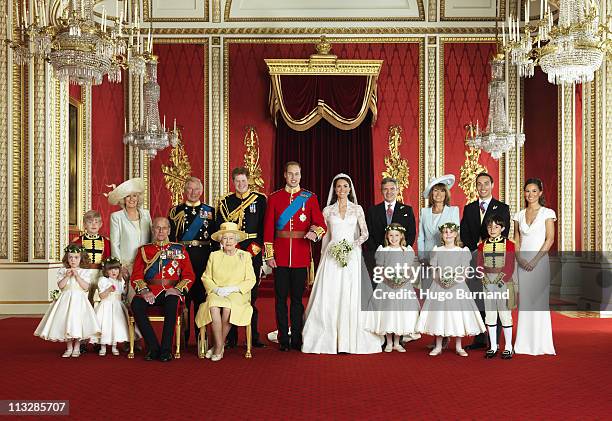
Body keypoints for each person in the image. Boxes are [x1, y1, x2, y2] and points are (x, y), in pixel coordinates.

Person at [301, 174, 382, 354]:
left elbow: (365, 233)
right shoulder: (327, 211)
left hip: (352, 255)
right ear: (334, 189)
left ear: (350, 189)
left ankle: (350, 339)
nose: (342, 190)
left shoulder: (357, 209)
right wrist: (324, 252)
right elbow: (325, 235)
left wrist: (353, 246)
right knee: (331, 294)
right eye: (339, 186)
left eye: (345, 186)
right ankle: (327, 339)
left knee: (350, 293)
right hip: (332, 255)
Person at [263, 161, 327, 352]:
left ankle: (297, 338)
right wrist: (269, 255)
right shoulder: (274, 198)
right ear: (284, 175)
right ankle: (283, 339)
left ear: (301, 175)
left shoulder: (310, 198)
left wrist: (314, 233)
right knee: (280, 300)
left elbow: (321, 224)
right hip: (280, 256)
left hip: (300, 256)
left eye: (297, 174)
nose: (293, 178)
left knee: (298, 300)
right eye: (290, 174)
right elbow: (268, 229)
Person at [130, 217, 195, 362]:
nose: (161, 231)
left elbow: (189, 275)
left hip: (171, 290)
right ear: (152, 230)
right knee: (136, 304)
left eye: (164, 228)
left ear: (169, 230)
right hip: (150, 289)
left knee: (172, 303)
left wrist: (178, 289)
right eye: (157, 228)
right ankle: (153, 348)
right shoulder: (144, 250)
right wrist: (145, 291)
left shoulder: (179, 249)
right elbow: (136, 275)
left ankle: (166, 350)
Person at [415, 223, 485, 357]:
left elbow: (464, 272)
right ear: (442, 235)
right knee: (440, 315)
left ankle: (458, 346)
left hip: (457, 287)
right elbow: (433, 270)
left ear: (455, 234)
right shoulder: (437, 250)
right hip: (439, 287)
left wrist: (453, 281)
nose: (448, 234)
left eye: (450, 232)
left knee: (457, 315)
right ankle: (438, 346)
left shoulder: (461, 251)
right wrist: (440, 281)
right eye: (445, 232)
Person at [216, 167, 267, 348]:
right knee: (230, 293)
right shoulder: (226, 202)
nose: (241, 184)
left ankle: (253, 335)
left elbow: (264, 229)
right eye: (237, 181)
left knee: (250, 296)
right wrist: (233, 250)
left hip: (252, 252)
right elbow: (221, 228)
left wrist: (252, 252)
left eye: (243, 181)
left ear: (248, 181)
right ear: (233, 182)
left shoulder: (260, 200)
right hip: (232, 252)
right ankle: (231, 338)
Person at [460, 172, 510, 350]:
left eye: (486, 184)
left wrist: (486, 245)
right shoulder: (469, 208)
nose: (482, 187)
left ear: (492, 185)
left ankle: (494, 340)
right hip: (475, 258)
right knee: (478, 298)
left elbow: (504, 232)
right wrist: (475, 248)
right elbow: (464, 232)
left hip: (494, 259)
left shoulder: (502, 207)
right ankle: (480, 338)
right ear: (476, 186)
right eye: (479, 184)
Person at [195, 222, 256, 362]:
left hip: (238, 293)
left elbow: (251, 279)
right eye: (225, 238)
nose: (228, 241)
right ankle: (220, 345)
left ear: (236, 241)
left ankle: (217, 347)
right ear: (220, 241)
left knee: (228, 308)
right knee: (213, 306)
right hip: (217, 292)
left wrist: (233, 288)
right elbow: (206, 277)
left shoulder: (245, 256)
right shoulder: (214, 256)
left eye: (231, 238)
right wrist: (216, 289)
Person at [168, 176, 216, 346]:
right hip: (184, 260)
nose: (194, 192)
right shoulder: (175, 211)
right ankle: (183, 338)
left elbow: (215, 240)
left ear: (201, 191)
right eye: (190, 189)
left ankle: (201, 336)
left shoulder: (210, 211)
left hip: (204, 260)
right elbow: (172, 240)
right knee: (184, 301)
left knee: (201, 300)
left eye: (197, 189)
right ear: (184, 191)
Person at [513, 178, 556, 356]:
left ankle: (540, 343)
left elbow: (550, 239)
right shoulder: (518, 215)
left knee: (538, 301)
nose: (530, 194)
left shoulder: (547, 213)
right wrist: (520, 258)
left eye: (533, 191)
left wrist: (535, 260)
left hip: (539, 262)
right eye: (527, 191)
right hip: (522, 262)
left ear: (540, 192)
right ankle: (523, 343)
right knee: (525, 302)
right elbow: (516, 239)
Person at [34, 244, 100, 357]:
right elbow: (61, 286)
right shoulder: (63, 271)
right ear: (67, 258)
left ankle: (77, 347)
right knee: (67, 323)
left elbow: (85, 287)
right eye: (70, 257)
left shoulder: (85, 272)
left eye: (76, 257)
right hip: (66, 300)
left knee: (78, 322)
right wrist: (67, 276)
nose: (73, 260)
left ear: (81, 258)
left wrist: (78, 276)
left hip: (79, 301)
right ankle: (69, 347)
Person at [364, 223, 420, 353]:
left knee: (400, 313)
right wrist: (389, 279)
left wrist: (403, 279)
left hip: (403, 286)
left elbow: (410, 269)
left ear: (401, 236)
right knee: (388, 313)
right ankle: (389, 342)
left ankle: (397, 342)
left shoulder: (407, 251)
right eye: (391, 235)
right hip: (387, 286)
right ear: (387, 236)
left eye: (396, 235)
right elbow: (379, 268)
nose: (394, 238)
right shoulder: (383, 250)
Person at [71, 210, 111, 353]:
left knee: (99, 308)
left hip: (100, 276)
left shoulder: (106, 242)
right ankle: (81, 340)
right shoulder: (78, 242)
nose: (93, 224)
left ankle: (97, 340)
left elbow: (108, 261)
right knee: (83, 307)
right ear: (85, 225)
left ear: (100, 224)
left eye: (96, 222)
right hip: (84, 276)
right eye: (89, 222)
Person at [477, 215, 516, 359]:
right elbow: (479, 264)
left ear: (502, 228)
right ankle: (493, 346)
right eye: (489, 227)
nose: (492, 230)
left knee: (505, 314)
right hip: (487, 281)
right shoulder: (482, 245)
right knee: (490, 314)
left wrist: (501, 279)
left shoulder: (509, 244)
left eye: (496, 227)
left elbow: (510, 264)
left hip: (503, 281)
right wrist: (484, 278)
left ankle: (508, 347)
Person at [108, 178, 152, 290]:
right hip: (127, 265)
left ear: (138, 198)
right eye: (128, 196)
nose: (132, 199)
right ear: (123, 199)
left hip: (146, 264)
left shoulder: (146, 214)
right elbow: (114, 244)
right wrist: (119, 267)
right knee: (129, 297)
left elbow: (151, 238)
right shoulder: (116, 217)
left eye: (134, 196)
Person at [91, 257, 134, 356]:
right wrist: (108, 290)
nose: (114, 271)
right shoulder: (103, 280)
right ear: (106, 271)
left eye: (116, 269)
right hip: (106, 306)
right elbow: (102, 296)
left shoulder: (120, 281)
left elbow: (123, 294)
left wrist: (127, 282)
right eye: (110, 269)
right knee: (105, 325)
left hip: (117, 306)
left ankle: (114, 346)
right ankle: (103, 346)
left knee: (116, 326)